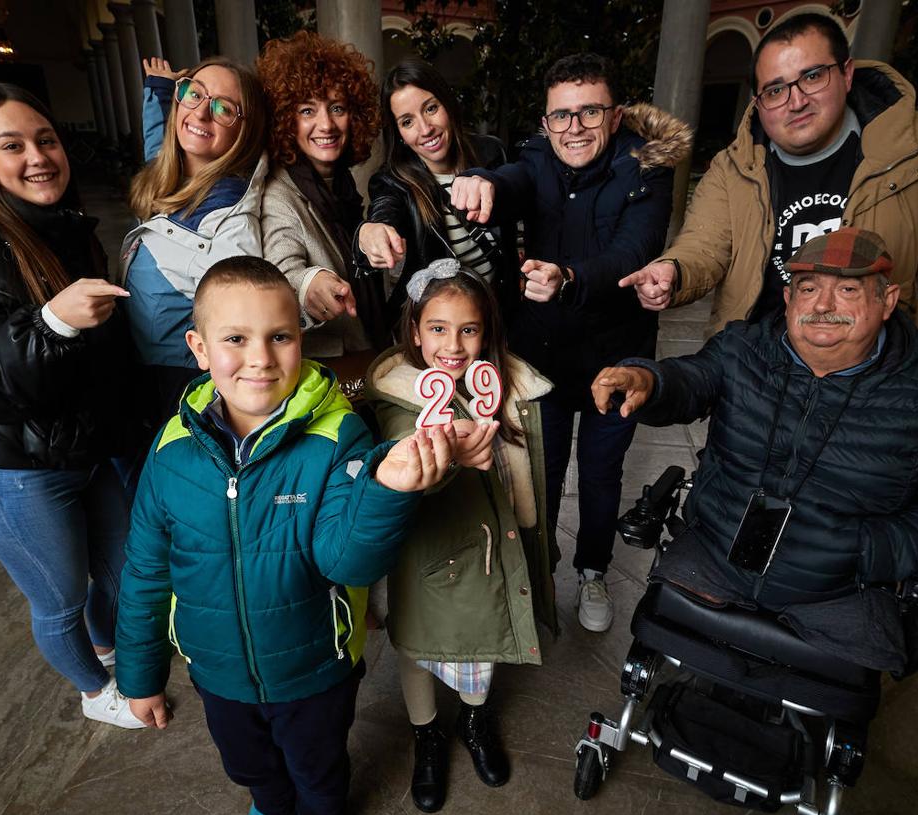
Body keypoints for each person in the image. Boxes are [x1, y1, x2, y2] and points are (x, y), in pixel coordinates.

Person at [115, 256, 470, 815]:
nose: (260, 358)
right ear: (199, 349)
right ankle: (271, 806)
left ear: (300, 339)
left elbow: (347, 561)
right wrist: (139, 673)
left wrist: (387, 489)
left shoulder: (336, 434)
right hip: (217, 668)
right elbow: (145, 570)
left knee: (319, 766)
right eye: (235, 339)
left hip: (314, 669)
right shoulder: (171, 447)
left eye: (280, 336)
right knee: (247, 762)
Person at [592, 228, 918, 671]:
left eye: (848, 289)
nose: (824, 306)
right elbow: (690, 379)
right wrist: (647, 381)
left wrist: (862, 550)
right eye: (809, 289)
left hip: (840, 588)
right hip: (718, 552)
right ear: (789, 299)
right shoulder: (744, 350)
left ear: (887, 301)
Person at [0, 83, 143, 728]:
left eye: (45, 139)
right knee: (61, 599)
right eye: (11, 146)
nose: (38, 157)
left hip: (81, 449)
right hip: (14, 473)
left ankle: (108, 649)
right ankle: (95, 693)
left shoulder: (56, 222)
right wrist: (52, 323)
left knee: (124, 571)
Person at [450, 53, 692, 632]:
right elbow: (511, 182)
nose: (575, 128)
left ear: (614, 115)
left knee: (603, 473)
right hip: (546, 356)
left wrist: (570, 278)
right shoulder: (535, 158)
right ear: (546, 121)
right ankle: (540, 571)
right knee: (544, 470)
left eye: (589, 112)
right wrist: (482, 182)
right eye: (562, 116)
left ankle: (592, 571)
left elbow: (635, 252)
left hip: (617, 354)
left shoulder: (646, 168)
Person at [624, 12, 918, 365]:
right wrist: (674, 269)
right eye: (775, 89)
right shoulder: (734, 166)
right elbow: (706, 243)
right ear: (758, 101)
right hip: (755, 357)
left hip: (874, 365)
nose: (796, 100)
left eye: (812, 76)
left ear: (846, 74)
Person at [364, 258, 554, 813]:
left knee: (481, 641)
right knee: (417, 644)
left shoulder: (509, 386)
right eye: (438, 329)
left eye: (468, 329)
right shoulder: (399, 393)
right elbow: (404, 451)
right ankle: (425, 734)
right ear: (415, 332)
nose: (453, 344)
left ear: (486, 332)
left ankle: (474, 717)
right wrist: (446, 452)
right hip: (427, 547)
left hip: (490, 547)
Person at [122, 56, 269, 426]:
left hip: (179, 387)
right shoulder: (172, 177)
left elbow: (249, 319)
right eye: (194, 94)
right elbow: (160, 146)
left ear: (245, 131)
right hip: (142, 372)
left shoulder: (227, 219)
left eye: (224, 108)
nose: (201, 114)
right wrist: (158, 87)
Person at [355, 58, 521, 330]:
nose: (425, 129)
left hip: (500, 320)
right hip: (438, 331)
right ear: (398, 133)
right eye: (407, 122)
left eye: (431, 108)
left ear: (448, 104)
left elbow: (517, 206)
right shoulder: (392, 182)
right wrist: (370, 233)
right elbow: (384, 213)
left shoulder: (491, 152)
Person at [257, 31, 390, 362]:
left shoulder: (341, 186)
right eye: (307, 111)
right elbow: (280, 270)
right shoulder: (280, 193)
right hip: (330, 366)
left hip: (370, 349)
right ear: (286, 120)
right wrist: (308, 284)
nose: (326, 124)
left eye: (337, 107)